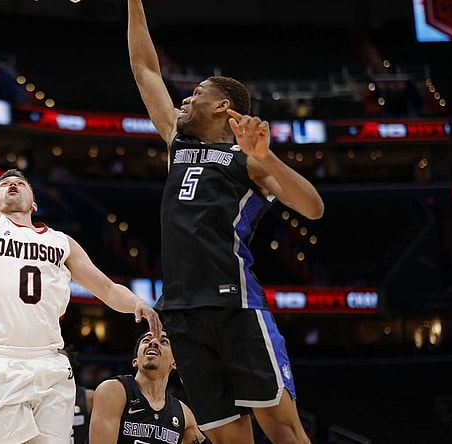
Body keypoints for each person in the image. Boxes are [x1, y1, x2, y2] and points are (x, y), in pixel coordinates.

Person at [0, 53, 163, 444]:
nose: (12, 184)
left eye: (20, 182)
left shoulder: (62, 243)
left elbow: (108, 289)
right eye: (4, 183)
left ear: (34, 201)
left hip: (52, 364)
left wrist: (138, 305)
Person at [125, 1, 325, 443]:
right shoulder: (178, 144)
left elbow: (313, 207)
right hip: (179, 310)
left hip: (233, 302)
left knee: (283, 430)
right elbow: (145, 71)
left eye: (195, 94)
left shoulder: (249, 162)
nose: (185, 99)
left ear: (222, 106)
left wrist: (265, 155)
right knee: (228, 438)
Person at [88, 330, 206, 443]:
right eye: (146, 340)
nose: (153, 342)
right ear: (136, 361)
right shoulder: (113, 391)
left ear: (174, 363)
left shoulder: (183, 414)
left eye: (163, 341)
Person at [59, 347, 94, 444]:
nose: (58, 367)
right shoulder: (33, 397)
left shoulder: (89, 398)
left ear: (71, 367)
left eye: (62, 362)